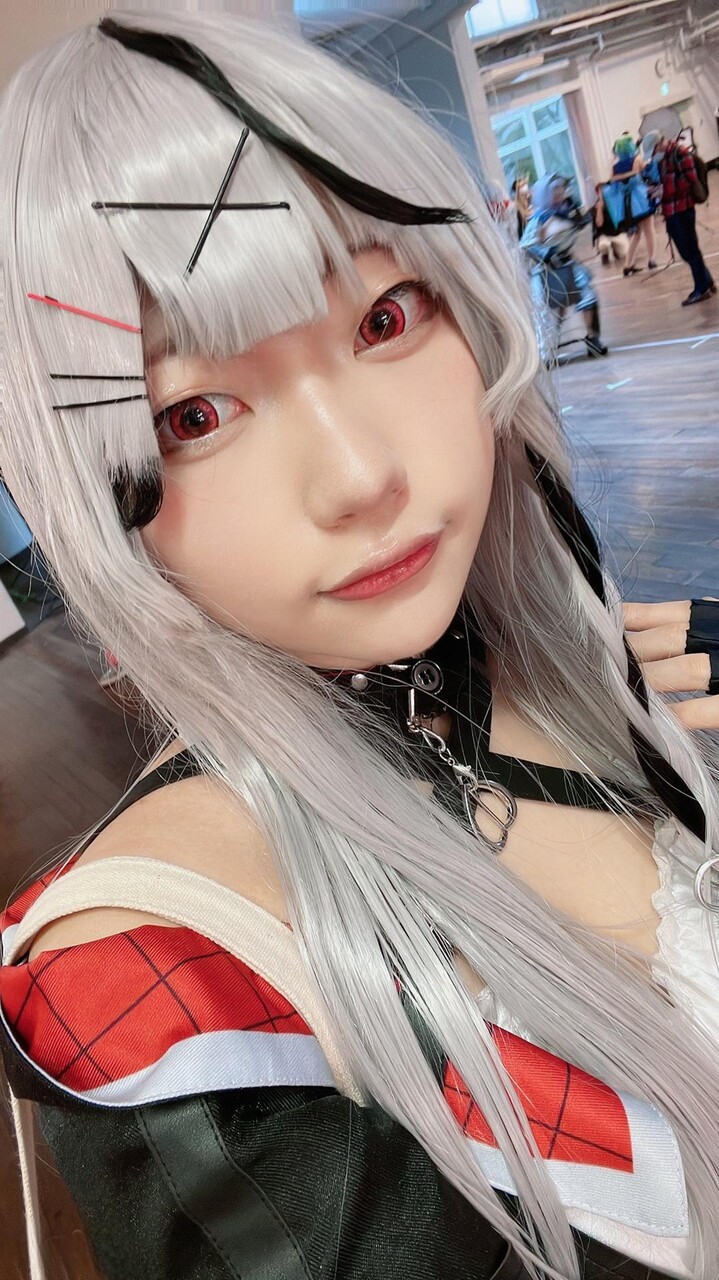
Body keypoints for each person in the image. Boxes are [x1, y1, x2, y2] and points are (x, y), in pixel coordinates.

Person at [2, 13, 719, 1280]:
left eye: (384, 319)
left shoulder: (572, 649)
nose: (357, 475)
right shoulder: (170, 992)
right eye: (193, 413)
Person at [521, 174, 608, 358]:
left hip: (568, 265)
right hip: (544, 272)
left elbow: (582, 223)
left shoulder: (568, 211)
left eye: (561, 188)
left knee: (588, 296)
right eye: (555, 189)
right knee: (543, 310)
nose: (560, 192)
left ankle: (593, 339)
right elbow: (527, 245)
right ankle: (545, 348)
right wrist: (548, 254)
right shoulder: (539, 219)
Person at [642, 129, 716, 305]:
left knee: (690, 250)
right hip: (671, 211)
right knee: (688, 251)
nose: (654, 154)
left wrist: (663, 190)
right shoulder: (664, 159)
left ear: (659, 144)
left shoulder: (681, 154)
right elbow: (666, 181)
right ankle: (707, 283)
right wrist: (655, 188)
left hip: (683, 210)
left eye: (654, 150)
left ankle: (701, 289)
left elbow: (689, 180)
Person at [602, 134, 657, 276]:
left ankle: (628, 265)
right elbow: (642, 171)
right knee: (649, 229)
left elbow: (612, 180)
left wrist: (623, 176)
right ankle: (651, 259)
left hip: (627, 204)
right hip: (640, 198)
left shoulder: (614, 165)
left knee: (636, 233)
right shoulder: (637, 159)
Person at [591, 182, 628, 265]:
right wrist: (600, 209)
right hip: (604, 234)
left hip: (618, 232)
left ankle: (616, 249)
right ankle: (605, 254)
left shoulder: (616, 200)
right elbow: (599, 224)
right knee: (603, 245)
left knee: (624, 253)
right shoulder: (596, 206)